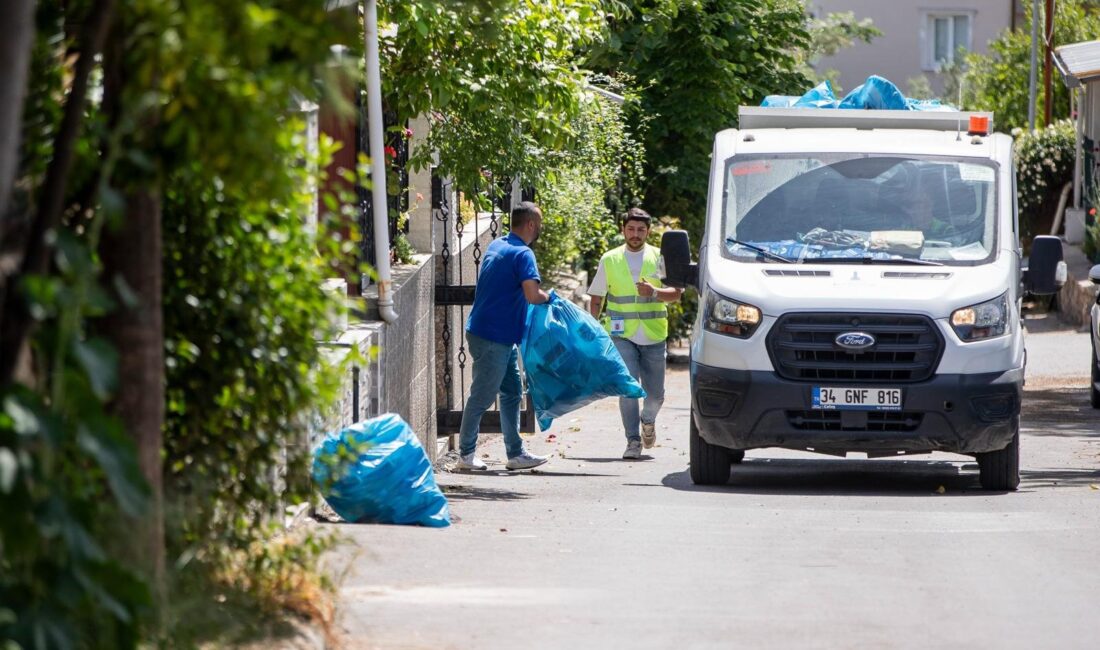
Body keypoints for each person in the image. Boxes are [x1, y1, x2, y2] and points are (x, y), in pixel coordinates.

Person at [456, 201, 551, 471]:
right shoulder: (524, 254)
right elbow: (533, 296)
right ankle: (465, 455)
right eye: (539, 224)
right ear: (531, 224)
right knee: (482, 396)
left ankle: (515, 453)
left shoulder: (498, 244)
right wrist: (551, 299)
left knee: (511, 392)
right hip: (493, 337)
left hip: (491, 333)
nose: (539, 229)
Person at [588, 208, 683, 459]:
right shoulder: (610, 259)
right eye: (631, 229)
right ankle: (632, 441)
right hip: (621, 335)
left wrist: (653, 291)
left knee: (656, 395)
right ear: (623, 230)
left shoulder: (659, 257)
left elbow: (676, 294)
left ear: (648, 232)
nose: (635, 234)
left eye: (641, 230)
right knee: (627, 388)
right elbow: (597, 297)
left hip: (653, 334)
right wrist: (595, 328)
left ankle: (647, 420)